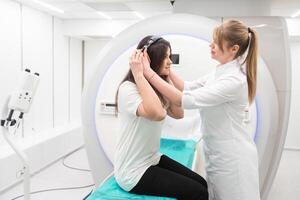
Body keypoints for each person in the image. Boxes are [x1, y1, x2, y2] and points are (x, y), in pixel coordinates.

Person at [139, 20, 261, 200]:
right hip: (217, 153)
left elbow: (185, 100)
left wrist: (148, 73)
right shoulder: (218, 72)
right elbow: (186, 87)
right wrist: (167, 68)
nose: (211, 45)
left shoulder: (234, 81)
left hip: (233, 159)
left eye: (216, 42)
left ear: (234, 49)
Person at [114, 35, 209, 200]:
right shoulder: (128, 89)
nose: (170, 61)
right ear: (150, 60)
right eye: (165, 57)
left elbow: (179, 114)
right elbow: (157, 114)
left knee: (202, 183)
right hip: (132, 172)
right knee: (198, 192)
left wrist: (166, 75)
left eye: (170, 56)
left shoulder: (155, 88)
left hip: (151, 159)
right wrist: (140, 74)